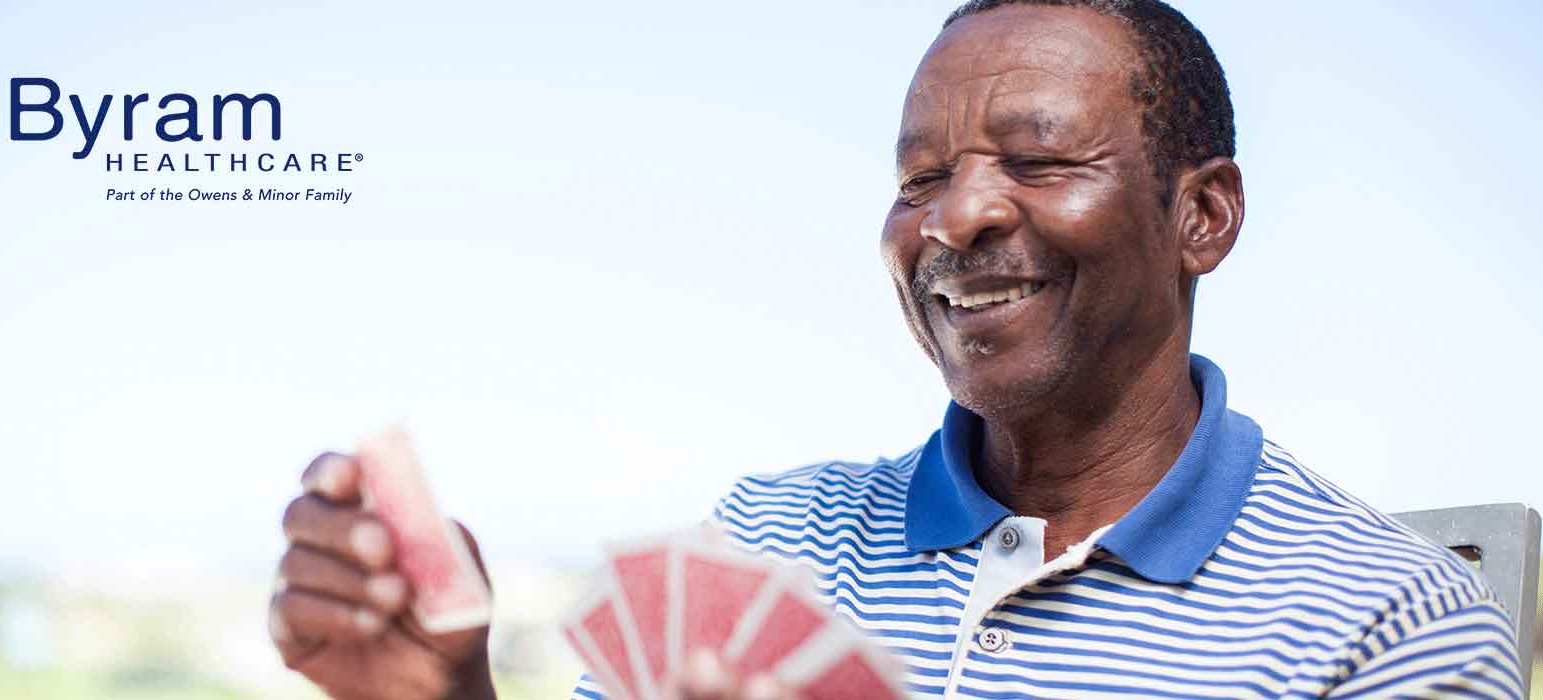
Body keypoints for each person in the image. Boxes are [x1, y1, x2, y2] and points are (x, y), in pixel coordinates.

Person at [268, 1, 1526, 698]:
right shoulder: (768, 543)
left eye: (1037, 159)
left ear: (1201, 215)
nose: (954, 216)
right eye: (917, 175)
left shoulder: (1390, 623)